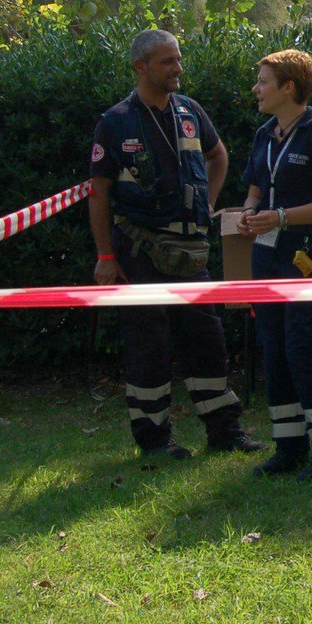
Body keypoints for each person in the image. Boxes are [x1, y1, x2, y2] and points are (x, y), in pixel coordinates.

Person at [88, 29, 262, 460]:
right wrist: (106, 256)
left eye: (179, 59)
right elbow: (98, 193)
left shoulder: (189, 110)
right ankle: (155, 441)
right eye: (168, 61)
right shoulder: (115, 122)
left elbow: (218, 155)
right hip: (140, 254)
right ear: (140, 67)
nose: (178, 68)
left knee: (208, 340)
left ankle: (225, 431)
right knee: (148, 348)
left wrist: (207, 204)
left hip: (190, 255)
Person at [236, 49, 312, 482]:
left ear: (289, 88)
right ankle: (288, 448)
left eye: (263, 81)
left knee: (306, 348)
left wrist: (282, 216)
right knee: (274, 346)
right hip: (266, 253)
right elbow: (254, 186)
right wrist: (251, 211)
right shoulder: (265, 134)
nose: (256, 89)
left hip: (309, 256)